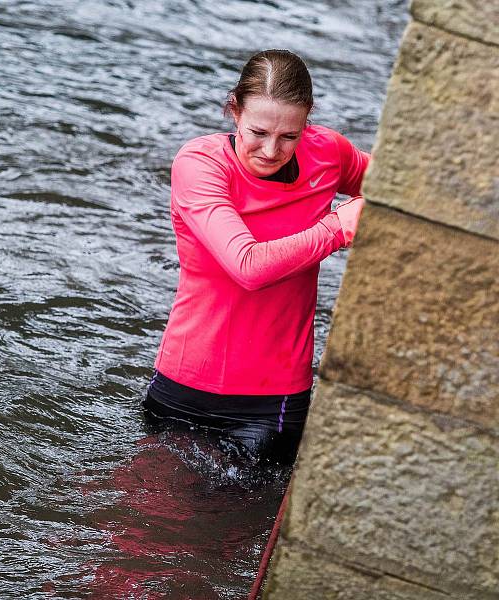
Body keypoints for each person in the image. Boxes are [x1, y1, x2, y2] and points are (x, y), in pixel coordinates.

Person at [144, 49, 369, 465]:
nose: (271, 150)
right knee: (149, 514)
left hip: (274, 397)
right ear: (234, 111)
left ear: (308, 120)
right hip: (184, 384)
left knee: (239, 526)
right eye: (258, 132)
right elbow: (247, 266)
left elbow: (399, 189)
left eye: (289, 136)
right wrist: (338, 228)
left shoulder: (329, 153)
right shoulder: (199, 164)